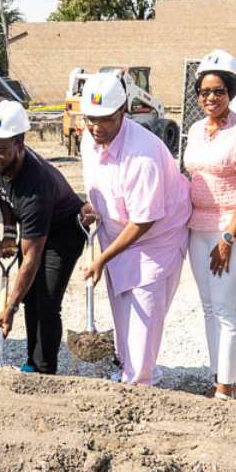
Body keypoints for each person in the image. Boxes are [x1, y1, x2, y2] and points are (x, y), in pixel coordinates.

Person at [79, 73, 192, 386]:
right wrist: (93, 207)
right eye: (90, 119)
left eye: (105, 120)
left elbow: (144, 220)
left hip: (154, 244)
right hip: (116, 236)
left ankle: (139, 387)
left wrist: (102, 259)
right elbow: (100, 182)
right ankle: (127, 372)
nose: (96, 128)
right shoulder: (89, 139)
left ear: (123, 111)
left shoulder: (144, 155)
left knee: (143, 324)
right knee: (123, 319)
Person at [181, 50, 236, 399]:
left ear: (230, 92)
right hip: (198, 228)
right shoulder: (197, 129)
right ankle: (218, 375)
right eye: (204, 92)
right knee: (208, 306)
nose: (210, 98)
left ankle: (227, 388)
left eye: (218, 91)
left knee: (226, 307)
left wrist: (229, 236)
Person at [0, 101, 86, 375]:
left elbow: (31, 257)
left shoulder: (34, 188)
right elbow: (4, 195)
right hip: (38, 229)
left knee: (46, 302)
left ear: (20, 145)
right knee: (31, 296)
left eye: (0, 150)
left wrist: (10, 307)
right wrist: (8, 233)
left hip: (63, 235)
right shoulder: (1, 161)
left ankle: (44, 369)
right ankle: (32, 361)